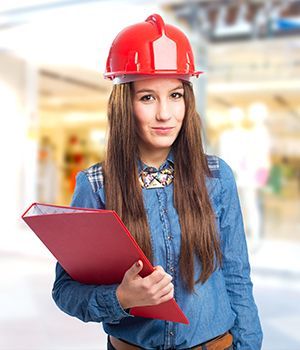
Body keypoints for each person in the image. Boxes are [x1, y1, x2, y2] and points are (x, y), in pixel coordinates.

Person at [52, 14, 263, 350]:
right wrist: (121, 297)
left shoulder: (215, 176)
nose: (166, 114)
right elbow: (65, 291)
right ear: (125, 104)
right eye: (147, 97)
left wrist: (249, 345)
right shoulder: (96, 185)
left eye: (176, 95)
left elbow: (237, 277)